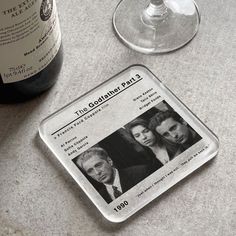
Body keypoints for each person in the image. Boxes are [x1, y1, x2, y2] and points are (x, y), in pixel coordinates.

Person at [74, 147, 151, 203]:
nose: (97, 172)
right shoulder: (99, 198)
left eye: (98, 165)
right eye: (90, 171)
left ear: (109, 161)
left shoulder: (141, 173)